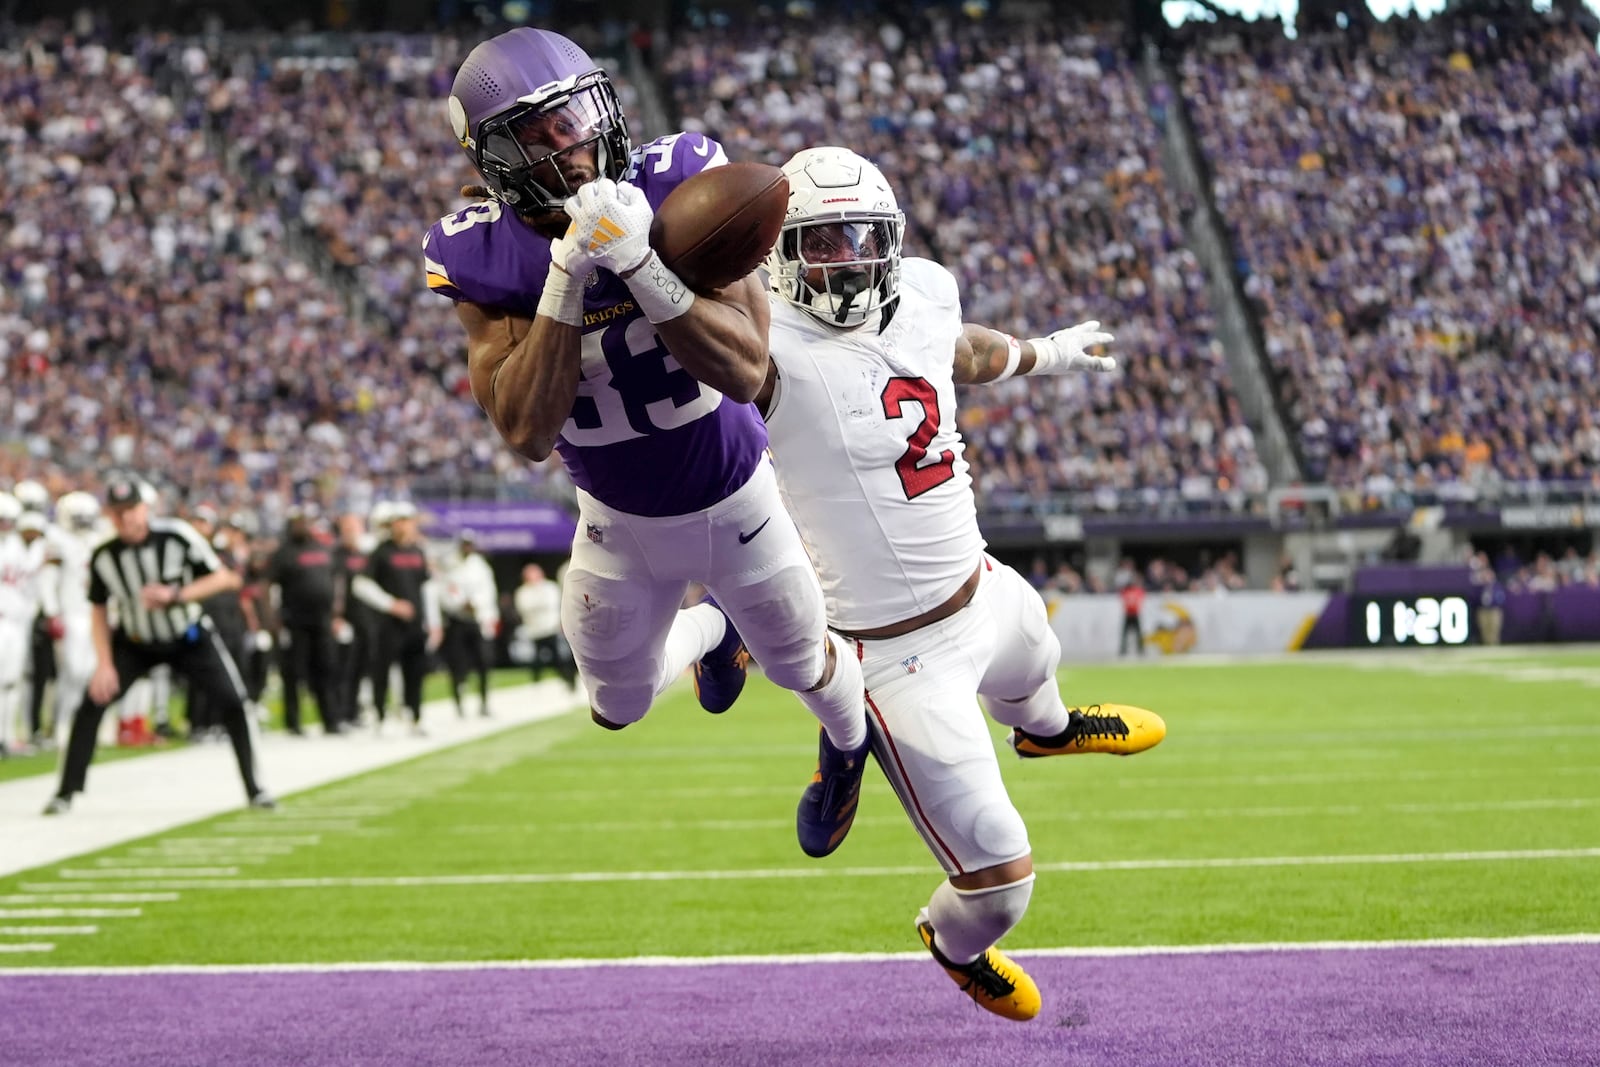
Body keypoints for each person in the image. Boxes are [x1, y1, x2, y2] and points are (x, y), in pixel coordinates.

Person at [423, 27, 872, 855]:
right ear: (493, 158)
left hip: (738, 498)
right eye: (540, 133)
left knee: (807, 666)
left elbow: (745, 369)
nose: (575, 143)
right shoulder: (480, 253)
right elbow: (524, 429)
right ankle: (713, 631)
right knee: (614, 705)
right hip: (616, 517)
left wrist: (641, 264)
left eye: (578, 115)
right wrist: (568, 276)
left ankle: (847, 750)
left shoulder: (679, 181)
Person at [750, 147, 1166, 1021]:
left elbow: (960, 351)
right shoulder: (761, 339)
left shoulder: (928, 290)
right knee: (1002, 882)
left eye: (862, 235)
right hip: (895, 656)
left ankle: (1048, 733)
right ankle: (950, 939)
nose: (847, 256)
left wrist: (1046, 354)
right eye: (821, 240)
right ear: (780, 251)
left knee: (1038, 665)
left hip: (981, 586)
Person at [43, 474, 272, 815]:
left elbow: (225, 578)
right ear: (110, 514)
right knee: (91, 705)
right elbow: (99, 609)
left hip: (188, 637)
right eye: (118, 511)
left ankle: (256, 788)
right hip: (136, 642)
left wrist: (177, 595)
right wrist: (104, 664)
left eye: (131, 509)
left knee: (234, 703)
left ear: (145, 508)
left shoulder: (176, 536)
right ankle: (65, 792)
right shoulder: (105, 554)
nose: (126, 518)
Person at [351, 502, 441, 735]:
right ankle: (380, 716)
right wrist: (391, 605)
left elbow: (427, 588)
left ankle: (415, 716)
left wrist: (434, 622)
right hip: (388, 625)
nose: (404, 526)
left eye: (407, 520)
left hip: (415, 624)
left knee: (415, 673)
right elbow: (360, 585)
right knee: (382, 670)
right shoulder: (381, 551)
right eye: (399, 521)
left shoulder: (418, 551)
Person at [265, 506, 342, 736]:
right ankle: (293, 722)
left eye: (306, 521)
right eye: (298, 521)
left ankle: (330, 720)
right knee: (294, 672)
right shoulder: (283, 552)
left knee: (326, 669)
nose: (303, 525)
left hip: (323, 620)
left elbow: (336, 580)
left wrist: (338, 610)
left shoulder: (323, 548)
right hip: (295, 621)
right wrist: (272, 619)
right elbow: (267, 586)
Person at [438, 530, 499, 718]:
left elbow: (488, 592)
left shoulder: (480, 567)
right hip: (457, 620)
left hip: (478, 620)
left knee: (483, 663)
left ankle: (484, 702)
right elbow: (445, 592)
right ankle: (459, 704)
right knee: (457, 664)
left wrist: (477, 605)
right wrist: (460, 604)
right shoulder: (450, 565)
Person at [514, 563, 576, 690]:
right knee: (537, 660)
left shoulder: (550, 587)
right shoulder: (522, 592)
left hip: (551, 628)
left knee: (559, 658)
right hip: (535, 631)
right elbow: (525, 608)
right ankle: (536, 683)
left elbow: (552, 604)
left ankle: (569, 681)